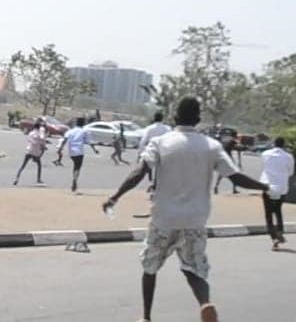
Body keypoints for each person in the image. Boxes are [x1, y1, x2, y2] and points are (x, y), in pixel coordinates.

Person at [103, 97, 269, 322]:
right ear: (198, 120)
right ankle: (205, 303)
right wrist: (264, 187)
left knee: (150, 267)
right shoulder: (212, 146)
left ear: (174, 118)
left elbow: (139, 172)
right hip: (195, 219)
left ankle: (146, 317)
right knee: (194, 268)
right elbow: (236, 177)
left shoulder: (161, 142)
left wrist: (115, 196)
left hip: (164, 219)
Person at [260, 137, 294, 250]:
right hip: (281, 187)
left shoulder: (265, 154)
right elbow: (290, 173)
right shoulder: (289, 157)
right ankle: (280, 230)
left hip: (267, 186)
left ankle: (273, 237)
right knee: (278, 210)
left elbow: (264, 166)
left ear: (274, 144)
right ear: (284, 145)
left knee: (268, 213)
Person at [56, 117, 94, 193]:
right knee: (77, 167)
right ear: (83, 123)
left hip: (71, 152)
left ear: (76, 123)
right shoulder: (84, 131)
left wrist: (60, 148)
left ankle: (74, 179)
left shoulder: (70, 131)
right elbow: (89, 142)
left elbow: (65, 140)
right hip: (79, 152)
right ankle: (74, 180)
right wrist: (95, 150)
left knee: (75, 166)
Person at [14, 118, 49, 185]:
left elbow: (29, 140)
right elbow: (43, 143)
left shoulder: (31, 133)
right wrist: (44, 146)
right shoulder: (40, 134)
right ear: (39, 128)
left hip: (29, 151)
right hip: (36, 153)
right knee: (39, 165)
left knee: (22, 166)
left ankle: (17, 178)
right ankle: (38, 179)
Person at [138, 112, 172, 180]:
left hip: (152, 152)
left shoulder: (149, 128)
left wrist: (140, 153)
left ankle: (151, 180)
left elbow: (143, 142)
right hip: (164, 152)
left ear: (154, 118)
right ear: (162, 119)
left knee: (147, 165)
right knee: (159, 170)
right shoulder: (168, 128)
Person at [213, 125, 240, 195]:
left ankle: (216, 186)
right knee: (234, 173)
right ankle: (234, 189)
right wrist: (240, 162)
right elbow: (238, 150)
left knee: (221, 174)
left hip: (223, 157)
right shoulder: (232, 142)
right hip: (229, 158)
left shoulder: (221, 141)